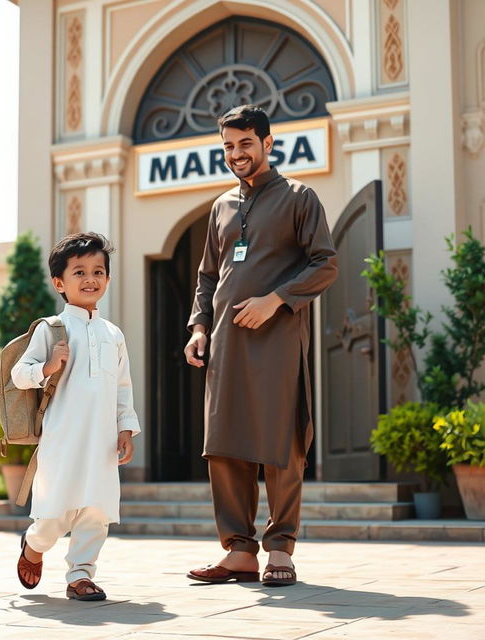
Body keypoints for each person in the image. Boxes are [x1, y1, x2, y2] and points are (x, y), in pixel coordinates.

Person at [184, 105, 338, 587]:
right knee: (225, 444)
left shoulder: (299, 198)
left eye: (245, 143)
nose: (236, 154)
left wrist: (276, 300)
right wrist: (199, 327)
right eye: (228, 146)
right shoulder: (221, 206)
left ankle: (280, 549)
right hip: (225, 344)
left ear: (268, 144)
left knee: (281, 444)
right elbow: (208, 275)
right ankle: (239, 551)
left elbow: (325, 264)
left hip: (277, 340)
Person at [12, 232, 140, 600]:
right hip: (62, 438)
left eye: (98, 271)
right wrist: (49, 366)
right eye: (79, 272)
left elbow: (123, 386)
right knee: (54, 512)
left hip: (101, 441)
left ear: (108, 280)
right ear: (59, 283)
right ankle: (35, 545)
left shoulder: (113, 334)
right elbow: (20, 374)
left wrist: (126, 428)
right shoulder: (52, 328)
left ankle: (80, 575)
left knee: (96, 512)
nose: (90, 279)